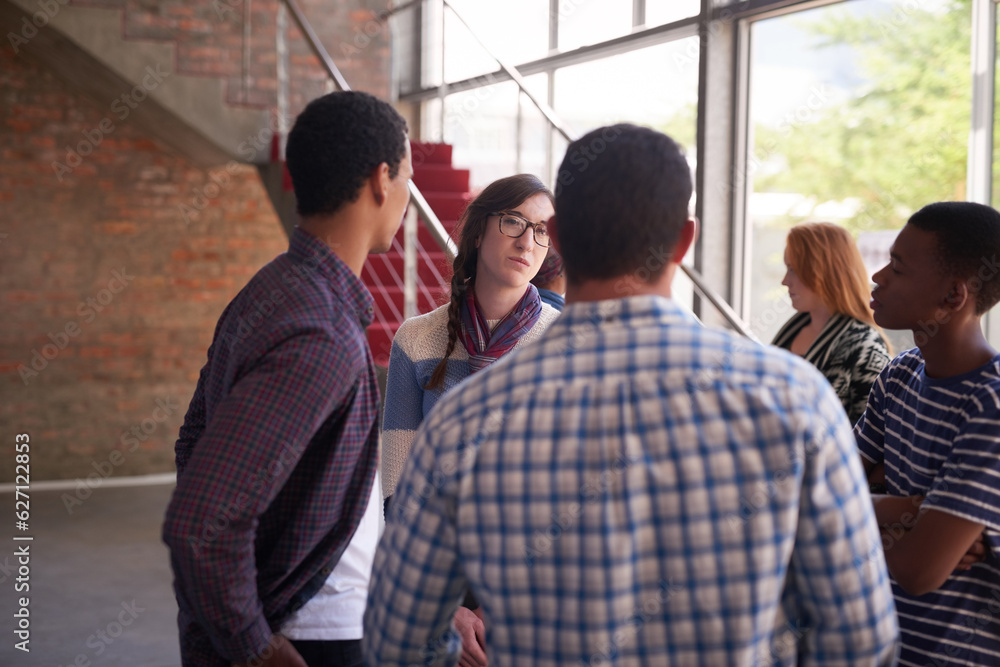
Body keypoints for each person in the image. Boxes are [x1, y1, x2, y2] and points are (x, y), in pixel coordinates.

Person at [364, 124, 899, 666]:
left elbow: (398, 637)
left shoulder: (467, 416)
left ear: (559, 238)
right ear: (685, 241)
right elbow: (860, 640)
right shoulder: (795, 401)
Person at [162, 91, 411, 667]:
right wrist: (252, 644)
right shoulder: (322, 332)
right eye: (406, 178)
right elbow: (202, 521)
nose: (407, 198)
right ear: (380, 180)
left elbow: (192, 443)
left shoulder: (272, 289)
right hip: (313, 633)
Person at [380, 174, 559, 667]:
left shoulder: (568, 343)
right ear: (479, 231)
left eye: (542, 230)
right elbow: (398, 492)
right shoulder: (416, 340)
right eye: (514, 222)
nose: (527, 241)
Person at [855, 201, 1000, 667]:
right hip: (880, 646)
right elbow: (815, 493)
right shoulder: (898, 375)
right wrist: (906, 510)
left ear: (953, 297)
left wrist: (857, 510)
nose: (878, 277)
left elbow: (919, 570)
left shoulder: (991, 405)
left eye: (897, 267)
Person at [771, 222, 891, 424]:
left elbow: (873, 439)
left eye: (793, 270)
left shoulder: (865, 347)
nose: (784, 281)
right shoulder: (794, 328)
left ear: (822, 272)